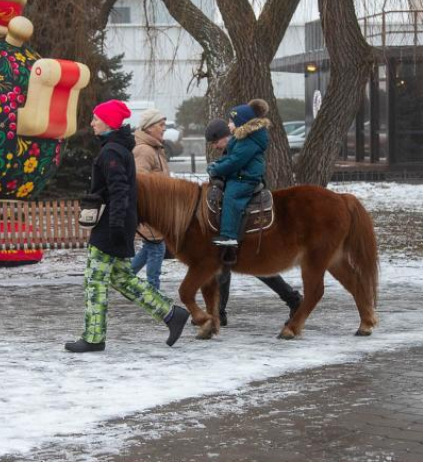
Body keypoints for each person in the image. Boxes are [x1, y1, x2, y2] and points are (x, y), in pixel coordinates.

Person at [65, 99, 189, 353]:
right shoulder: (118, 148)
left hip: (110, 227)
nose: (92, 123)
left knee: (94, 280)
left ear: (109, 122)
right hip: (117, 224)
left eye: (96, 119)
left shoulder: (111, 152)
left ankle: (94, 337)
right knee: (121, 278)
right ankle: (170, 314)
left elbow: (120, 191)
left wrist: (116, 227)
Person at [204, 118, 303, 326]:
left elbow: (234, 167)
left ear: (225, 136)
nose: (215, 147)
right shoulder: (235, 146)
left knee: (240, 261)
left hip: (244, 196)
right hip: (240, 192)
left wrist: (218, 173)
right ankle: (220, 311)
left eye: (216, 142)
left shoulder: (240, 145)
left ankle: (219, 311)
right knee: (236, 262)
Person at [207, 98, 271, 247]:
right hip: (242, 175)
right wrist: (216, 164)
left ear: (241, 123)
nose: (228, 124)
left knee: (231, 196)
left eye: (231, 121)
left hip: (246, 178)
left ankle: (229, 235)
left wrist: (216, 169)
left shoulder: (249, 141)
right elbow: (230, 158)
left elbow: (235, 161)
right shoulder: (242, 139)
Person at [131, 108, 170, 291]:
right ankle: (153, 291)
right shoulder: (144, 150)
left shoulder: (154, 149)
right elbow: (140, 182)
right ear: (149, 128)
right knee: (157, 247)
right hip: (150, 209)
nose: (164, 128)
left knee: (150, 247)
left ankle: (125, 277)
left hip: (159, 208)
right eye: (161, 125)